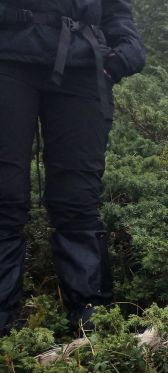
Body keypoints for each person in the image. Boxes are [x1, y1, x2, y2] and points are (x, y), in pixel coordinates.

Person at [0, 0, 146, 335]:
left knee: (79, 199)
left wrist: (123, 54)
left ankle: (92, 319)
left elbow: (115, 11)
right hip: (7, 57)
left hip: (81, 65)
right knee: (3, 196)